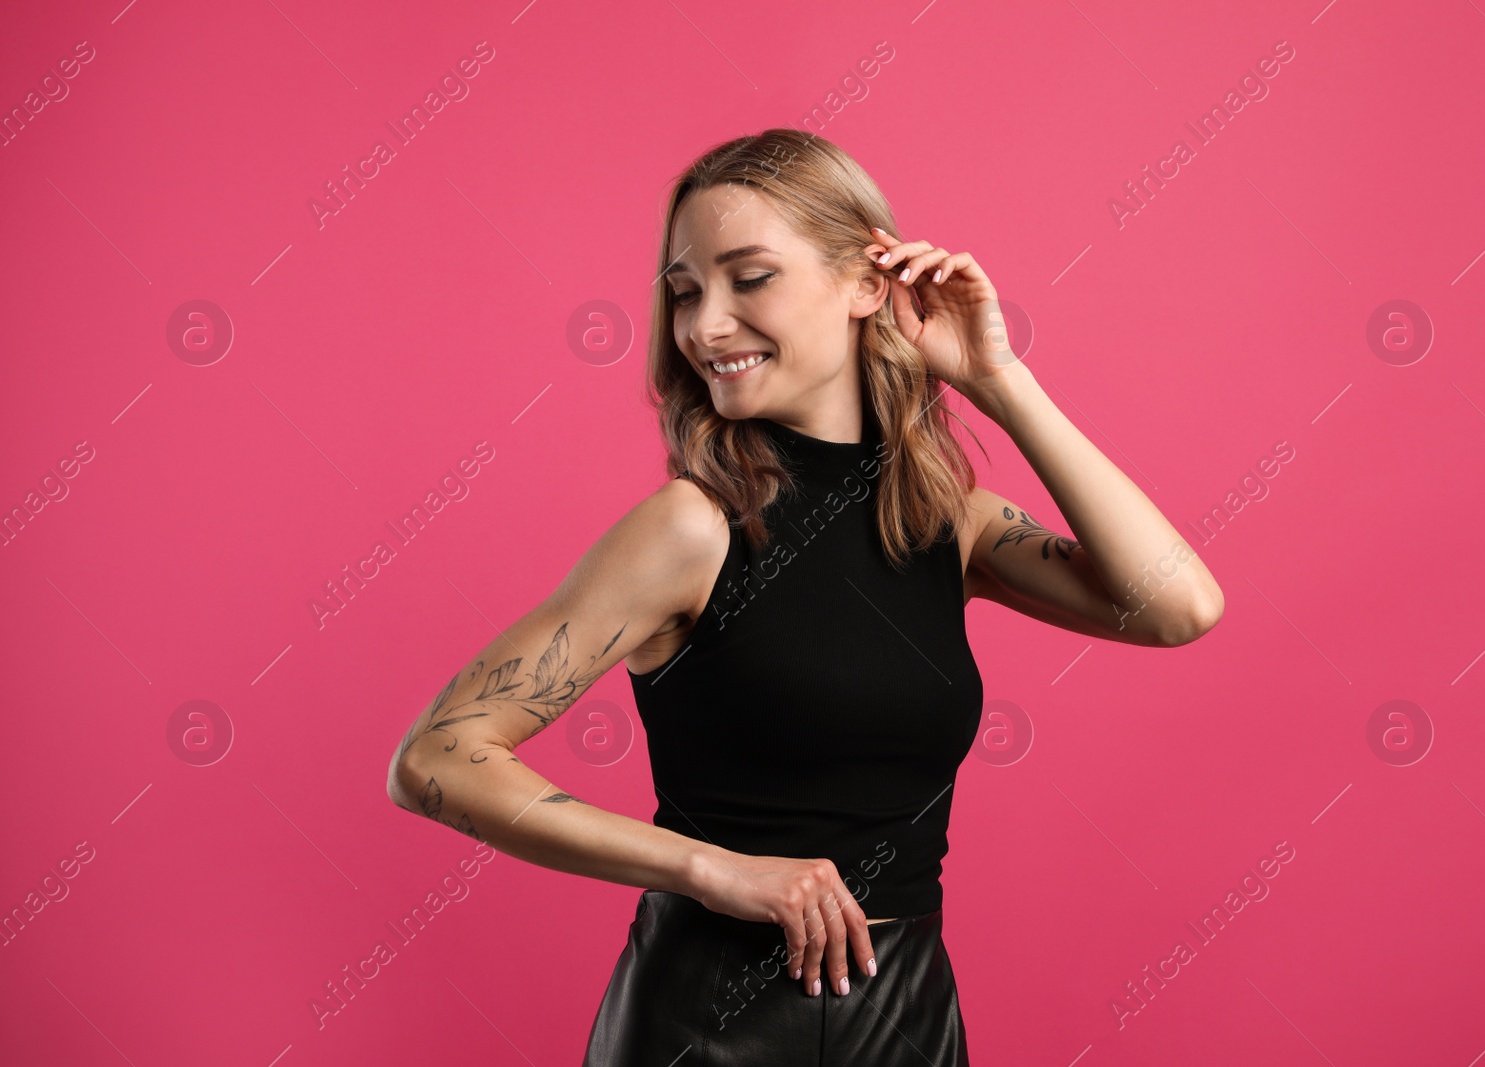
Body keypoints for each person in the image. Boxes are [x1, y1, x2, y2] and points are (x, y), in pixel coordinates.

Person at [385, 128, 1225, 1065]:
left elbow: (1177, 605)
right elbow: (437, 757)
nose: (704, 327)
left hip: (907, 1014)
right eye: (685, 291)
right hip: (707, 1024)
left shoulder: (949, 523)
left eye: (750, 279)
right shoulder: (692, 528)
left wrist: (999, 378)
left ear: (870, 282)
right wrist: (713, 869)